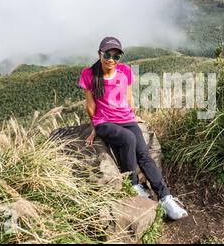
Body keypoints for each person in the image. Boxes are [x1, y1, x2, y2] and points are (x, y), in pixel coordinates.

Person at [78, 36, 188, 220]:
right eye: (107, 54)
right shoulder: (89, 74)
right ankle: (134, 185)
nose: (112, 59)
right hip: (104, 122)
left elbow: (129, 98)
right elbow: (90, 107)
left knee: (143, 154)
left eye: (116, 56)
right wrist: (94, 128)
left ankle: (166, 197)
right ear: (99, 54)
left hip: (125, 118)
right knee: (128, 139)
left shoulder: (125, 71)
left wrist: (133, 115)